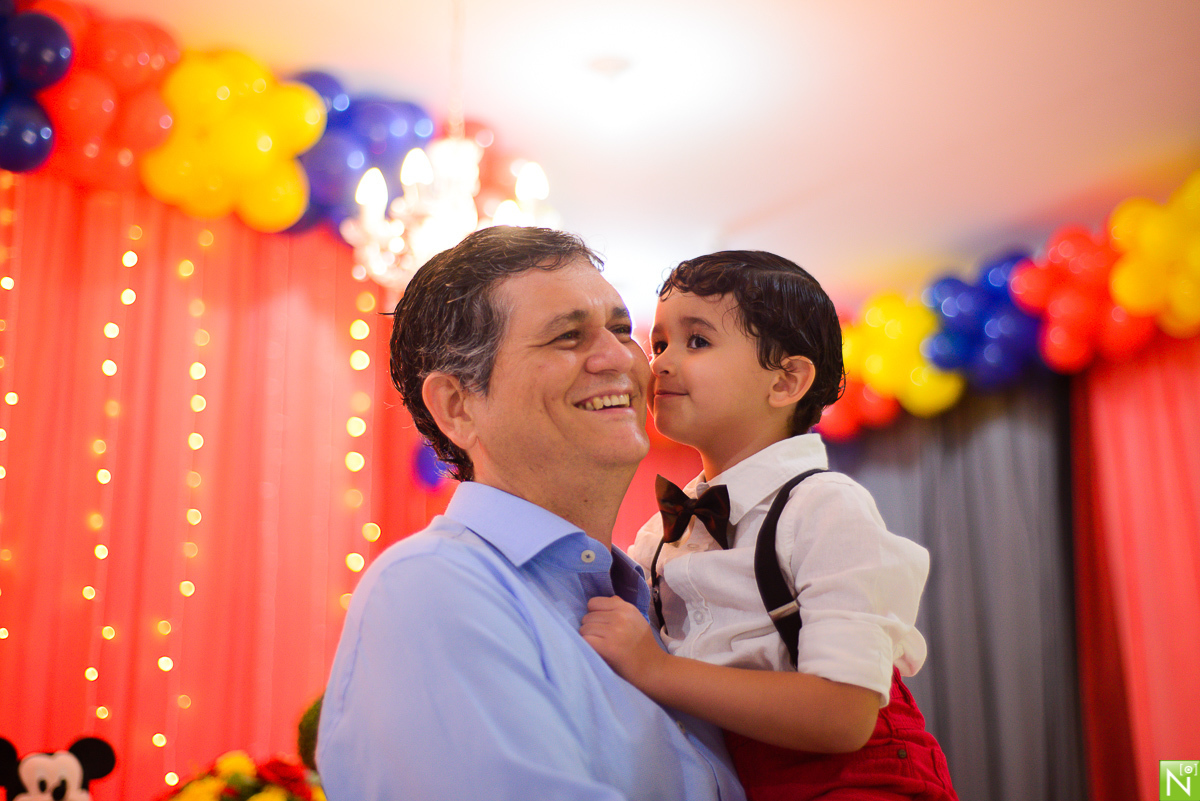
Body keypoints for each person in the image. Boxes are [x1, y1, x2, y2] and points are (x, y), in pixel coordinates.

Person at [316, 227, 745, 801]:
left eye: (622, 330)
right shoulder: (431, 588)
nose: (622, 358)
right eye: (567, 337)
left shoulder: (661, 594)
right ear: (458, 406)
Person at [580, 251, 958, 800]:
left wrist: (654, 669)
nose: (658, 363)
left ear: (786, 382)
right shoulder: (660, 536)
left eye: (698, 341)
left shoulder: (825, 508)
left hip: (859, 779)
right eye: (659, 343)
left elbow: (845, 715)